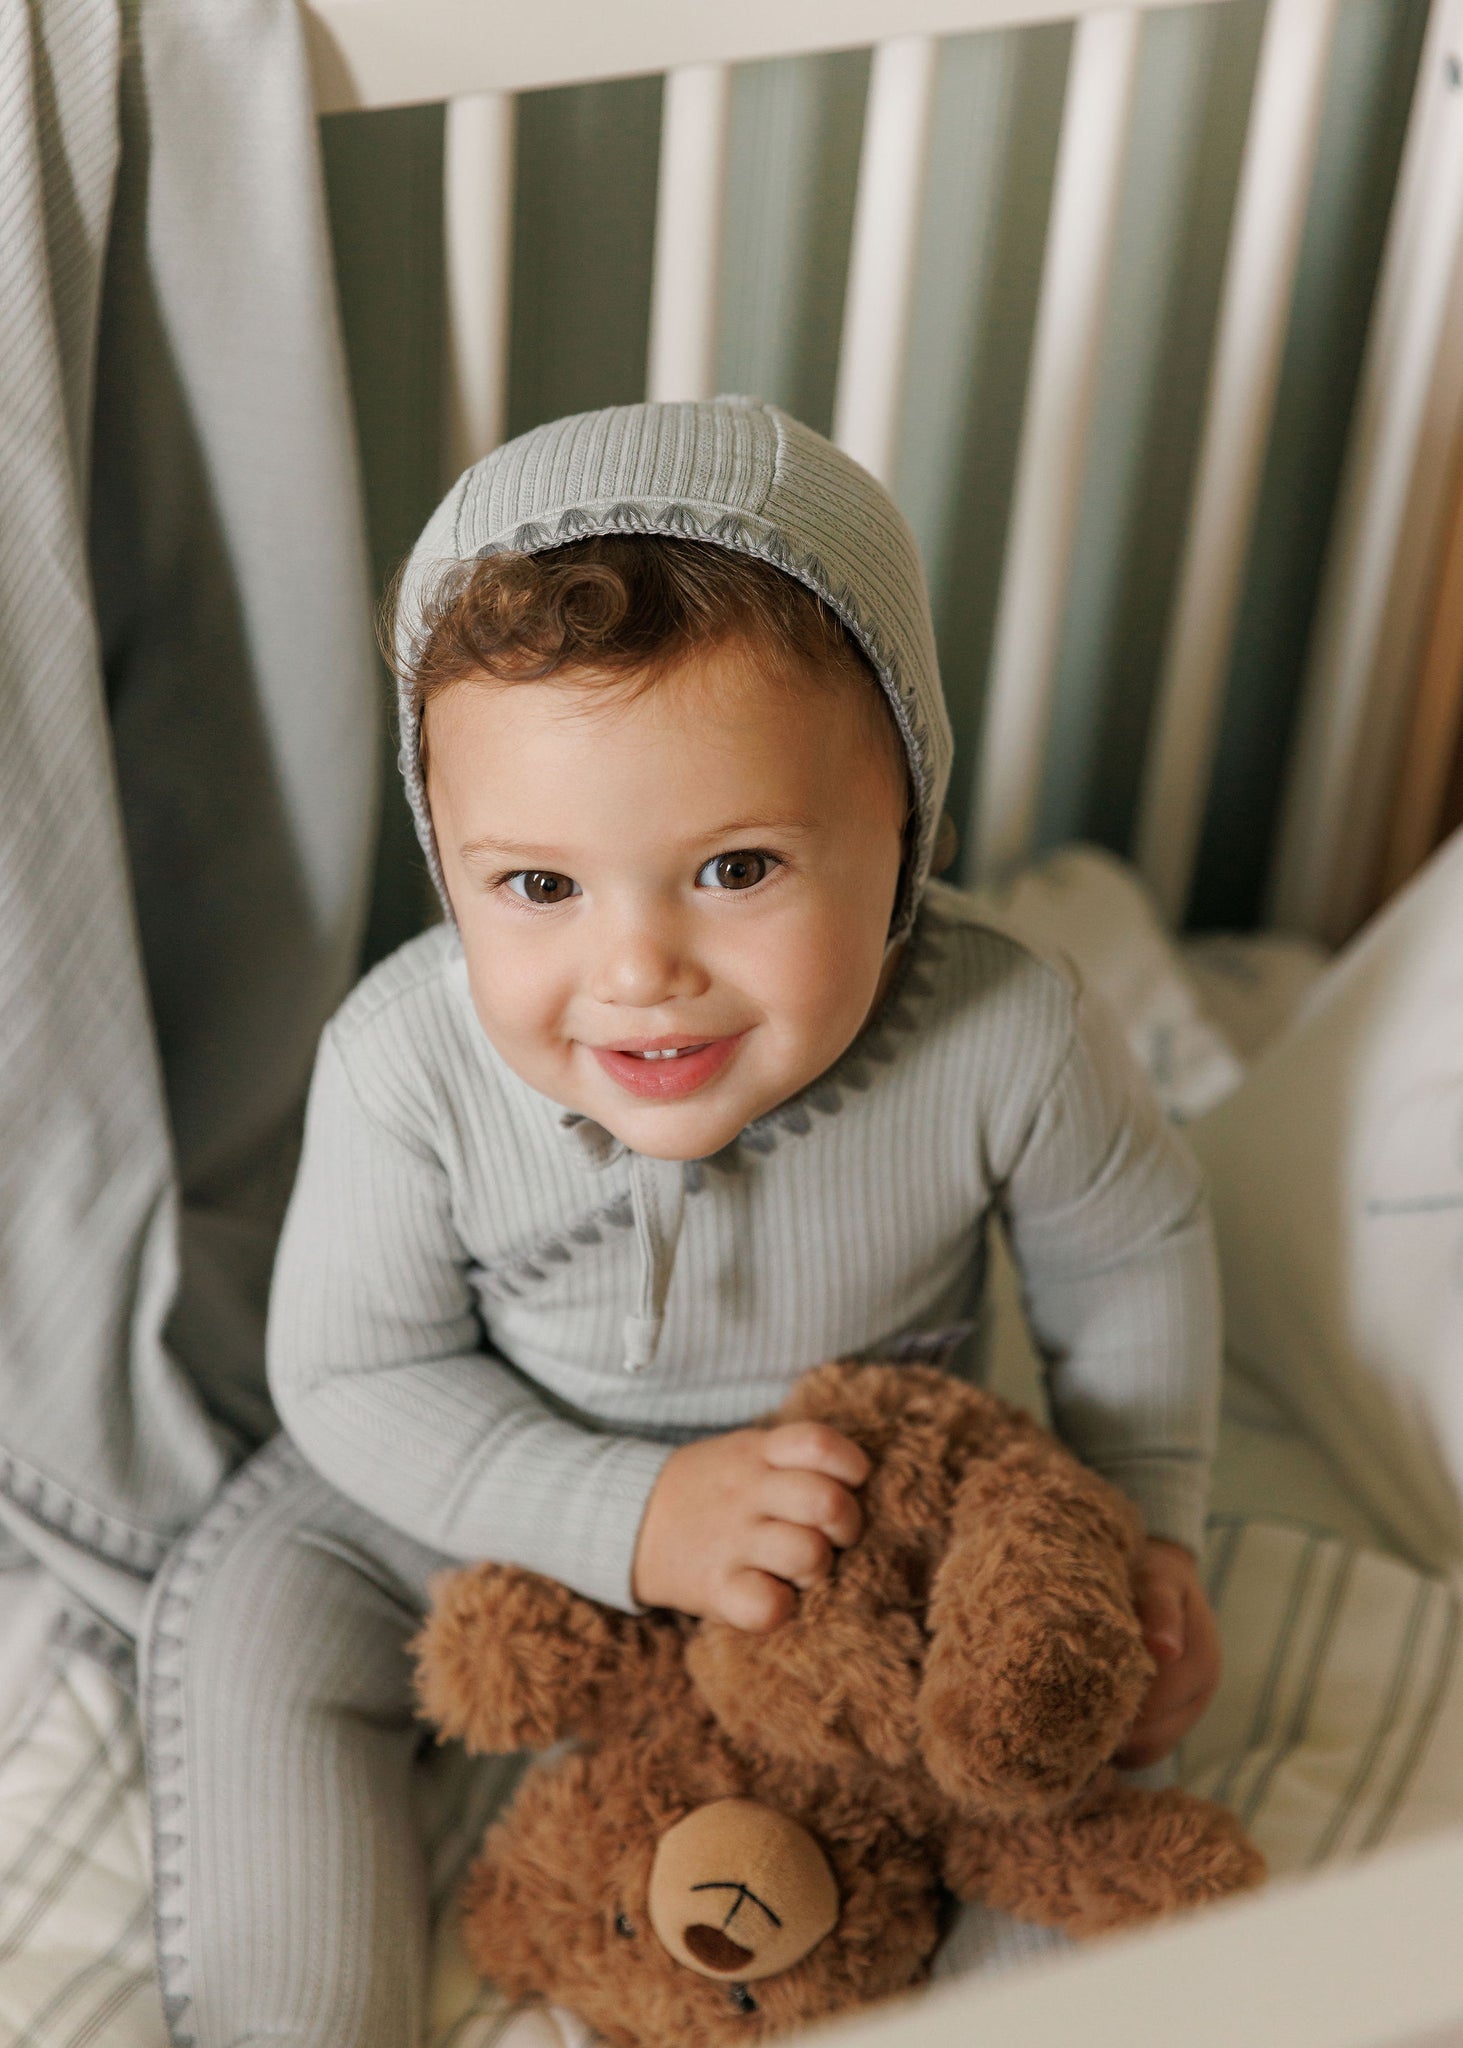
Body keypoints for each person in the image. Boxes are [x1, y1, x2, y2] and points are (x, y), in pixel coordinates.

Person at [141, 397, 1221, 2048]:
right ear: (448, 867)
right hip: (492, 1485)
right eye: (539, 887)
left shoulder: (1010, 1031)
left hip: (855, 1526)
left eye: (735, 869)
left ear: (907, 833)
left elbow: (1130, 1257)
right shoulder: (405, 1064)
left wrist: (1147, 1521)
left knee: (1048, 1710)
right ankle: (295, 2016)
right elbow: (357, 1376)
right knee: (260, 1611)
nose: (640, 969)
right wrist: (628, 1512)